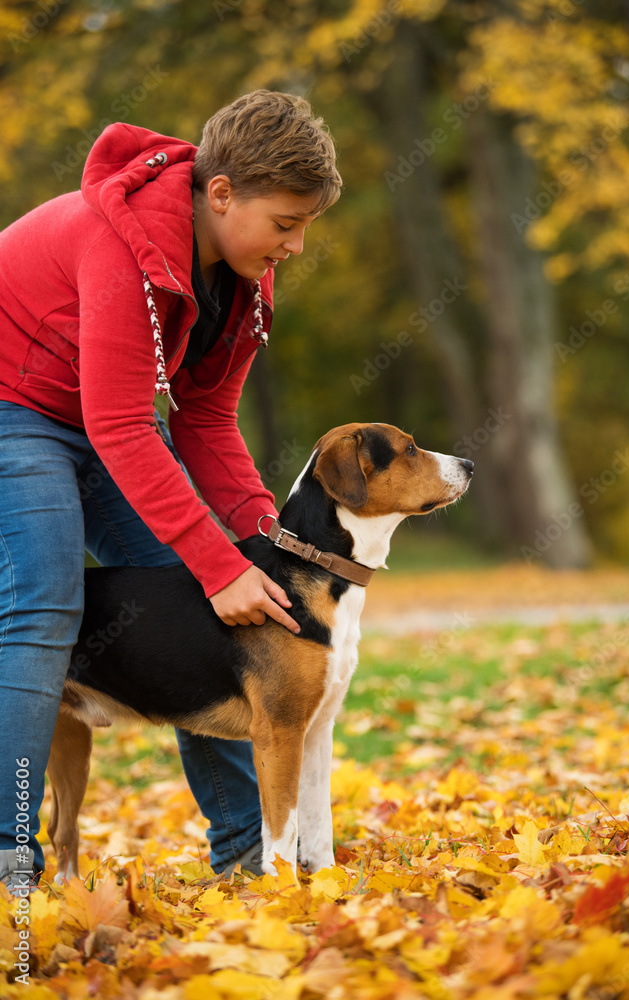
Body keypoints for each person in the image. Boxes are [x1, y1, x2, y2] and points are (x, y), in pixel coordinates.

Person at [0, 90, 342, 893]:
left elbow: (207, 418)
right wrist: (218, 564)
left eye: (304, 228)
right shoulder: (121, 242)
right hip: (13, 409)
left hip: (97, 416)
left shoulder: (238, 276)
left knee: (225, 599)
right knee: (46, 603)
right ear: (221, 194)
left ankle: (246, 856)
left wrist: (263, 546)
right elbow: (122, 423)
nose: (293, 245)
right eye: (285, 223)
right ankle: (10, 858)